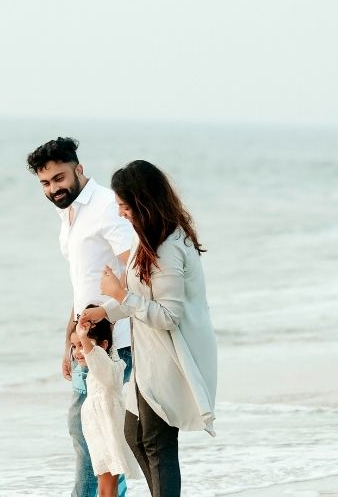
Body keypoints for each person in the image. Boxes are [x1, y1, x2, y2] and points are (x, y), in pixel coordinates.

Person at [79, 160, 217, 497]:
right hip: (149, 360)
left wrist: (119, 294)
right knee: (134, 433)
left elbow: (168, 316)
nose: (122, 214)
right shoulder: (148, 239)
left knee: (157, 443)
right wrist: (105, 311)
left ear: (144, 203)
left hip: (170, 360)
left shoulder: (169, 247)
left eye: (126, 207)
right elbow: (141, 299)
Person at [26, 138, 134, 497]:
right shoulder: (69, 213)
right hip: (83, 343)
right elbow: (83, 286)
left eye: (59, 178)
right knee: (92, 431)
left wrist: (110, 318)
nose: (54, 188)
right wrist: (67, 343)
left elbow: (135, 266)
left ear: (79, 169)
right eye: (45, 183)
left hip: (109, 343)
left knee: (90, 434)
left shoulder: (105, 206)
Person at [70, 305, 141, 496]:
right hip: (98, 430)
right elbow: (101, 351)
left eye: (83, 345)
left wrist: (84, 338)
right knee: (104, 483)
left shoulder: (106, 368)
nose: (78, 352)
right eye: (75, 346)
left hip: (107, 429)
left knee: (107, 486)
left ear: (103, 345)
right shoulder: (105, 364)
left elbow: (96, 356)